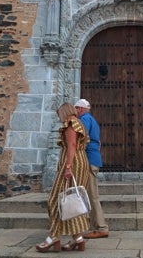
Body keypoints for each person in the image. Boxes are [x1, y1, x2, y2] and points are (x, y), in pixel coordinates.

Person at [36, 102, 90, 252]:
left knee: (54, 199)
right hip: (81, 161)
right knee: (72, 199)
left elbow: (71, 145)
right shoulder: (79, 122)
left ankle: (53, 237)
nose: (59, 118)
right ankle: (77, 238)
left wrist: (68, 167)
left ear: (64, 112)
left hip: (73, 164)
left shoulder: (70, 123)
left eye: (59, 115)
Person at [75, 98, 109, 239]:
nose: (74, 111)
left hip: (89, 160)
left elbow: (82, 139)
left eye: (76, 108)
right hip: (93, 159)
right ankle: (87, 223)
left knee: (92, 195)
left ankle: (101, 227)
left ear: (80, 109)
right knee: (88, 194)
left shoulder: (85, 120)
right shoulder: (91, 119)